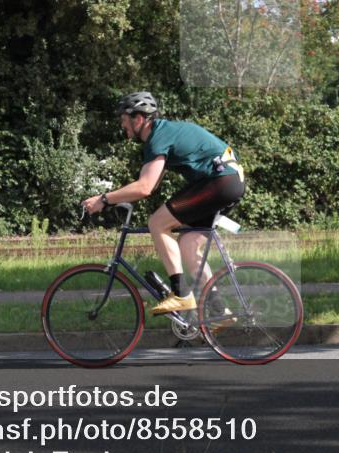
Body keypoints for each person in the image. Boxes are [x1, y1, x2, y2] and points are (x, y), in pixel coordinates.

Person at [82, 91, 245, 317]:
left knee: (157, 223)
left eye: (124, 120)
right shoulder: (165, 133)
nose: (123, 126)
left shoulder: (158, 137)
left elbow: (144, 187)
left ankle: (181, 295)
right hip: (229, 183)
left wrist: (104, 199)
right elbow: (151, 185)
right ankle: (219, 310)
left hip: (220, 182)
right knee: (187, 244)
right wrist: (117, 199)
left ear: (138, 118)